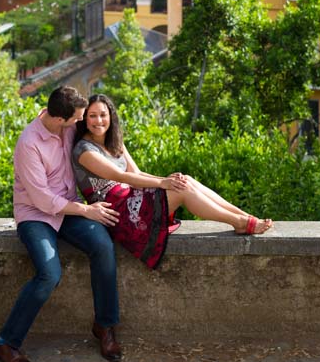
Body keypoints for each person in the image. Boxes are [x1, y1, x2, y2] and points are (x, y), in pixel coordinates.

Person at [0, 86, 122, 362]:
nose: (81, 123)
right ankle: (7, 342)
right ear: (60, 118)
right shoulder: (28, 143)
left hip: (69, 208)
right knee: (49, 274)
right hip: (35, 215)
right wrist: (87, 210)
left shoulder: (67, 128)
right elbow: (41, 199)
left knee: (103, 246)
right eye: (76, 119)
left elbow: (99, 141)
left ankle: (104, 326)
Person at [72, 93, 273, 271]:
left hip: (132, 198)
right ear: (85, 119)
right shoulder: (84, 150)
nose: (99, 121)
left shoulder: (114, 141)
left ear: (111, 116)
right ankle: (239, 222)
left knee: (185, 181)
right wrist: (162, 183)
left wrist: (167, 180)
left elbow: (137, 173)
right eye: (92, 115)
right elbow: (121, 176)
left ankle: (244, 216)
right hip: (116, 212)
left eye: (103, 115)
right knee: (181, 191)